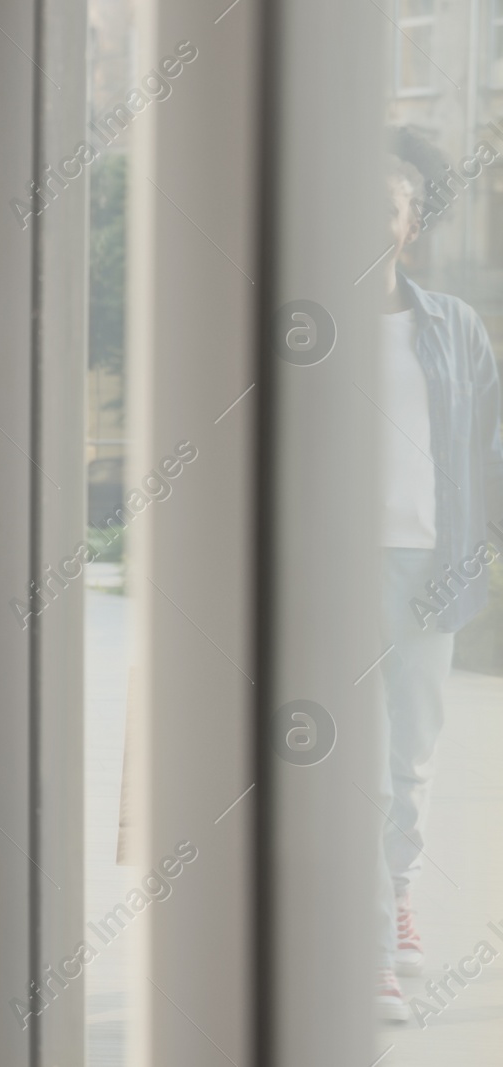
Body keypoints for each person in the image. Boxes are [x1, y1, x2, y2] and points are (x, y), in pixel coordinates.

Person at [371, 140, 503, 1022]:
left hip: (429, 565)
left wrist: (483, 547)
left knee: (408, 758)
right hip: (331, 569)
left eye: (389, 204)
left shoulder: (454, 324)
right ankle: (371, 936)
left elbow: (490, 450)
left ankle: (398, 895)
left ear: (411, 224)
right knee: (353, 768)